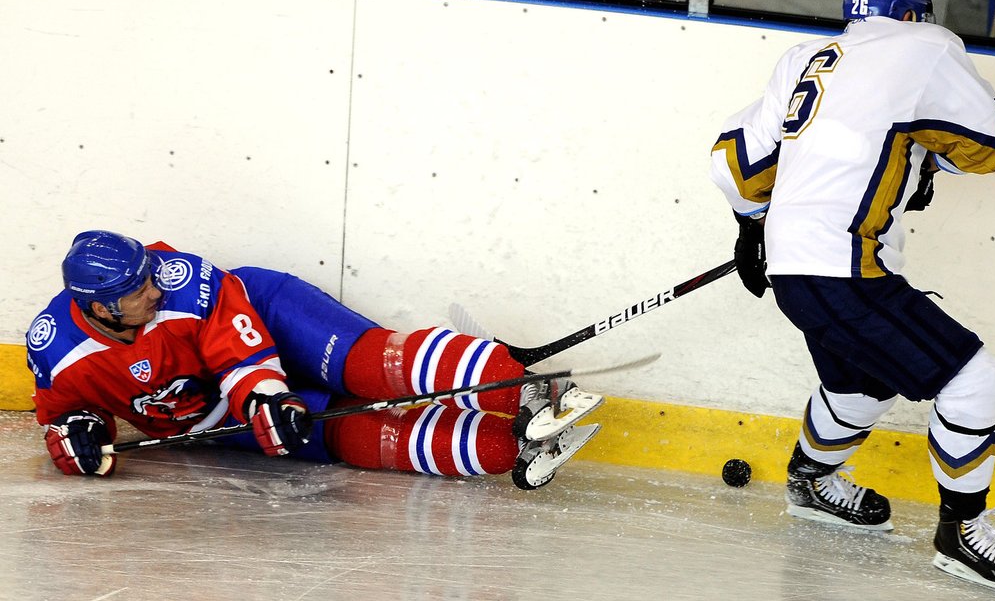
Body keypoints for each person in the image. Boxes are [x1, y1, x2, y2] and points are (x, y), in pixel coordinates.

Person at [709, 0, 995, 597]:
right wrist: (933, 157)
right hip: (845, 270)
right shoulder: (928, 46)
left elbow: (735, 167)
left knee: (863, 384)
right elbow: (991, 146)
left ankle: (811, 481)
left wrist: (751, 227)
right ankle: (961, 533)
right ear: (915, 12)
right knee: (973, 380)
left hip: (795, 267)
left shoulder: (808, 57)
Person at [27, 230, 604, 490]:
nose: (154, 290)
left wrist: (266, 395)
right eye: (137, 290)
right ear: (100, 306)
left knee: (369, 366)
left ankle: (519, 391)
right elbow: (65, 412)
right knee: (358, 437)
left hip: (266, 318)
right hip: (221, 420)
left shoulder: (181, 281)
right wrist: (76, 436)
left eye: (150, 278)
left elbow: (236, 340)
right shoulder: (57, 349)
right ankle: (507, 447)